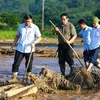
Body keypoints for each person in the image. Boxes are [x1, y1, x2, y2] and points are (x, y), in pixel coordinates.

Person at [7, 14, 41, 83]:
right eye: (26, 21)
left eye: (28, 21)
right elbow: (17, 36)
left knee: (29, 65)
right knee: (16, 64)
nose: (27, 23)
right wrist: (13, 45)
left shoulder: (35, 27)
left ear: (31, 20)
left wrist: (34, 43)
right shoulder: (21, 26)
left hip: (29, 49)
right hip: (20, 48)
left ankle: (28, 79)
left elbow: (39, 37)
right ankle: (14, 78)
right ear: (24, 20)